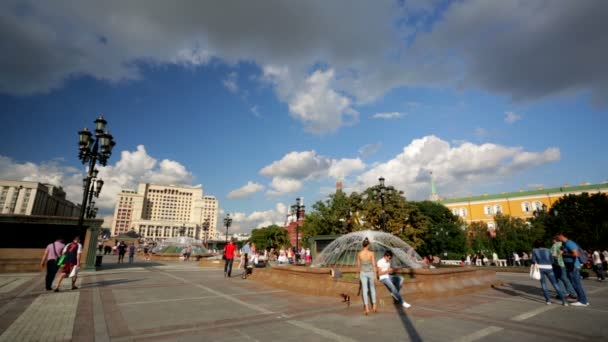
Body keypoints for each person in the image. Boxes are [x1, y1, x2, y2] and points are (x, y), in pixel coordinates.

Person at [531, 240, 568, 305]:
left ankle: (548, 300)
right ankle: (564, 301)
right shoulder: (548, 250)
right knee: (555, 284)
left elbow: (533, 260)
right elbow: (552, 260)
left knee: (543, 284)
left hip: (540, 268)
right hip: (549, 268)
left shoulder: (534, 250)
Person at [557, 232, 589, 306]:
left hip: (573, 266)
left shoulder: (569, 243)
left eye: (558, 236)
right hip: (570, 266)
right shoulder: (566, 243)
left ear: (562, 236)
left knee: (576, 283)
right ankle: (582, 299)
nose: (557, 238)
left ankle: (583, 301)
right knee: (574, 283)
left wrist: (563, 254)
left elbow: (575, 254)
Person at [357, 237, 377, 315]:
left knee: (364, 290)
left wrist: (359, 274)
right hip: (371, 272)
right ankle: (374, 306)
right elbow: (374, 265)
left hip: (363, 273)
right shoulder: (371, 253)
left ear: (363, 245)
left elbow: (359, 266)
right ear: (368, 245)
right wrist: (375, 275)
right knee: (372, 288)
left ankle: (367, 308)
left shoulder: (359, 254)